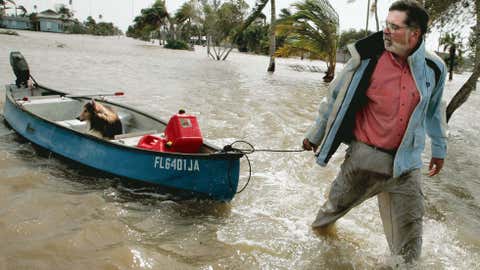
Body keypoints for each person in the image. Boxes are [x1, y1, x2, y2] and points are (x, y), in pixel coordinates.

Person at [302, 0, 447, 263]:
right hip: (363, 161)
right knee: (324, 223)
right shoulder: (367, 59)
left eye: (394, 26)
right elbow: (334, 99)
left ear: (414, 34)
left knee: (409, 256)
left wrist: (439, 148)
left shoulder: (435, 68)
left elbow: (435, 110)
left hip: (406, 169)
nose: (386, 32)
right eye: (385, 25)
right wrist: (315, 134)